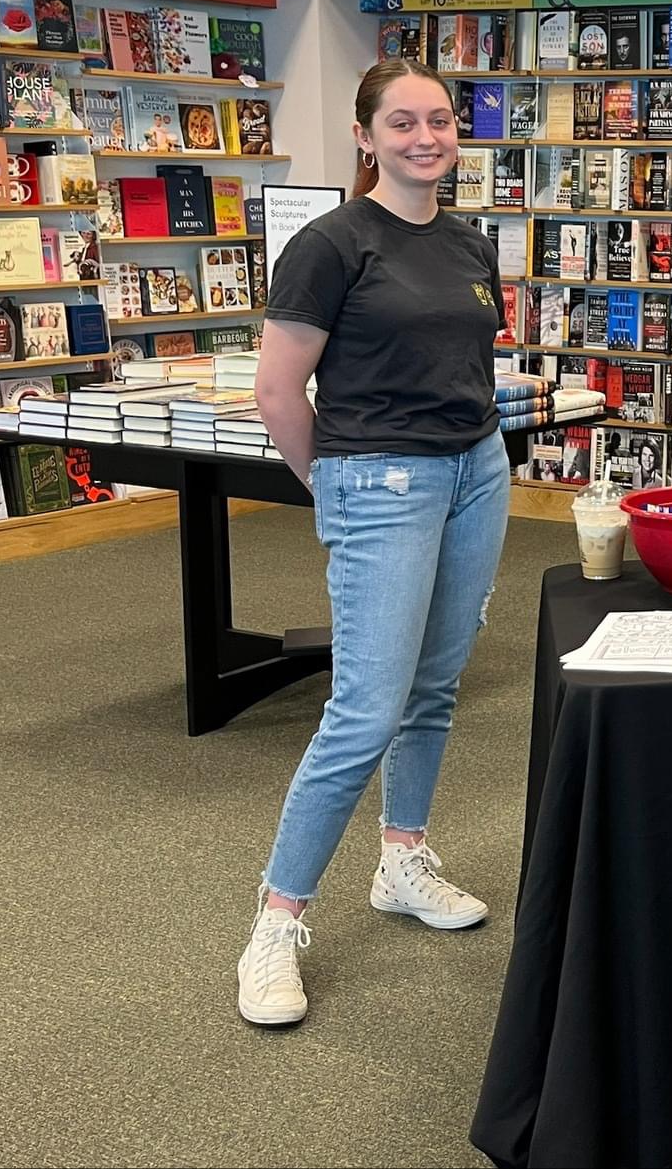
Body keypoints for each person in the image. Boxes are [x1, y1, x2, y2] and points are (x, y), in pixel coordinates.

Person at [240, 58, 512, 1026]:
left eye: (439, 120)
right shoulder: (330, 244)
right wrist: (341, 489)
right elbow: (279, 393)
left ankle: (402, 859)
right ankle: (276, 921)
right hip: (380, 481)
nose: (425, 137)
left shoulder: (471, 244)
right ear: (364, 136)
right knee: (362, 710)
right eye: (401, 123)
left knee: (433, 690)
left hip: (477, 470)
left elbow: (464, 366)